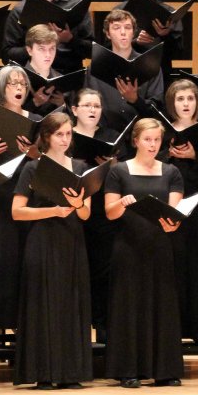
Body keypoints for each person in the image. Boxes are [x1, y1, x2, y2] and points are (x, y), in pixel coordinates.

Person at [11, 111, 93, 389]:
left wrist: (78, 204)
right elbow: (17, 212)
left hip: (72, 241)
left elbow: (85, 216)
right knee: (42, 302)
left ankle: (70, 372)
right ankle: (44, 371)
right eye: (59, 134)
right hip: (42, 240)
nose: (65, 139)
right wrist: (53, 211)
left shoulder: (80, 167)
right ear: (46, 137)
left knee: (70, 302)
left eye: (69, 134)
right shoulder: (33, 168)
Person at [103, 117, 185, 388]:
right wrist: (123, 204)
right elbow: (110, 213)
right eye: (147, 140)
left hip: (160, 247)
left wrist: (172, 223)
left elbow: (174, 216)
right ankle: (129, 369)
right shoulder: (119, 172)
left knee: (162, 305)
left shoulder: (171, 172)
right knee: (129, 306)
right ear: (136, 141)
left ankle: (165, 370)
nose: (152, 145)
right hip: (128, 247)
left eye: (156, 140)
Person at [0, 65, 41, 342]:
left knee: (26, 263)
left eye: (22, 85)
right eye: (12, 84)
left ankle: (23, 325)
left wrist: (34, 152)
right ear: (1, 89)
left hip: (27, 198)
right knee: (0, 262)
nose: (18, 88)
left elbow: (45, 160)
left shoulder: (36, 120)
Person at [162, 79, 198, 346]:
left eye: (190, 99)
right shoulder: (163, 129)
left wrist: (195, 156)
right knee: (173, 263)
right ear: (172, 103)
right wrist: (169, 154)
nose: (185, 104)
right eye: (180, 99)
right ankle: (173, 328)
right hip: (170, 204)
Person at [70, 88, 119, 342]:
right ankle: (75, 333)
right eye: (87, 105)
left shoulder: (110, 137)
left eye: (97, 106)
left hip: (102, 210)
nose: (92, 110)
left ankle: (102, 328)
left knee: (102, 270)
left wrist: (112, 165)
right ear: (74, 110)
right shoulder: (66, 137)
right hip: (71, 211)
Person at [84, 9, 165, 134]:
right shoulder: (96, 67)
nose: (123, 32)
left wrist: (135, 100)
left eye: (128, 27)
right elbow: (87, 106)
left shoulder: (150, 65)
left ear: (133, 33)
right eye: (116, 28)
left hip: (140, 137)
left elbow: (157, 111)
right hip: (104, 136)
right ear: (108, 34)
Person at [115, 0, 185, 77]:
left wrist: (165, 35)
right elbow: (108, 48)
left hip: (160, 78)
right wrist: (136, 42)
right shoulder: (120, 11)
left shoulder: (169, 13)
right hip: (127, 76)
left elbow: (178, 52)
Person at [20, 25, 67, 117]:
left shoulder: (62, 80)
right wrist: (34, 103)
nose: (48, 55)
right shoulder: (16, 79)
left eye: (52, 48)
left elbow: (72, 122)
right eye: (42, 49)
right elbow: (9, 120)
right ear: (29, 50)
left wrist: (62, 105)